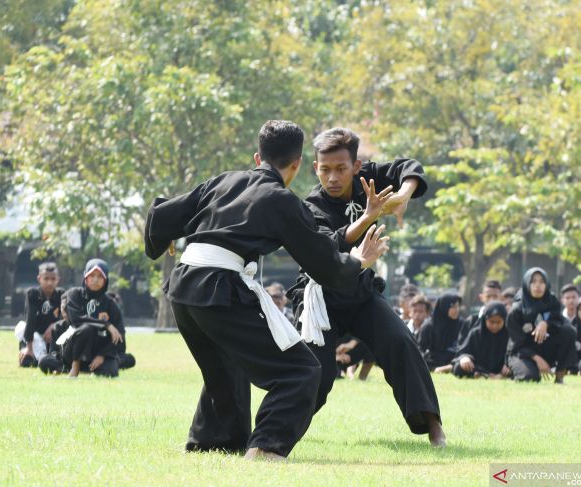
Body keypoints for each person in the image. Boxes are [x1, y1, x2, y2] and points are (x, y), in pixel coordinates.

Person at [143, 120, 390, 460]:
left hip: (184, 286)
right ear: (298, 163)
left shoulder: (223, 180)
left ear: (258, 157)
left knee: (226, 366)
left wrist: (164, 237)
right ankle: (265, 448)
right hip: (219, 288)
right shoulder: (282, 200)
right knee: (301, 371)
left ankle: (213, 443)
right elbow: (322, 261)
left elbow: (163, 214)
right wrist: (359, 260)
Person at [287, 127, 444, 447]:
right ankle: (277, 432)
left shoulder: (367, 179)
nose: (332, 177)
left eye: (341, 169)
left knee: (400, 341)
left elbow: (408, 167)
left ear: (356, 166)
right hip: (320, 298)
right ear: (315, 167)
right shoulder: (310, 206)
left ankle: (433, 426)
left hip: (360, 293)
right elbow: (325, 250)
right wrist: (369, 216)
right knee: (316, 371)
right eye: (325, 169)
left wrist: (402, 195)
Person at [505, 267, 577, 383]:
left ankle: (560, 376)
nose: (538, 285)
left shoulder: (552, 301)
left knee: (568, 331)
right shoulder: (516, 310)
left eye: (542, 282)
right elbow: (517, 345)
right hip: (522, 353)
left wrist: (546, 323)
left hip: (545, 347)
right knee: (529, 378)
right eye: (533, 281)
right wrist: (538, 360)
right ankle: (516, 371)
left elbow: (561, 322)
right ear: (527, 283)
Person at [59, 259, 125, 378]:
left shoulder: (111, 304)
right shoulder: (74, 294)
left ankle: (91, 368)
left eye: (100, 276)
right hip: (73, 350)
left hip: (97, 351)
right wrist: (106, 324)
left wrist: (102, 355)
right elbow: (76, 320)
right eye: (92, 275)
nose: (95, 279)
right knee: (87, 328)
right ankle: (75, 367)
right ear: (85, 277)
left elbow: (120, 336)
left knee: (110, 372)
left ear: (106, 280)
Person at [16, 262, 64, 368]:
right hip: (34, 338)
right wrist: (29, 348)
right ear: (39, 279)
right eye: (46, 279)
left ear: (58, 279)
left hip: (52, 339)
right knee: (27, 363)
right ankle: (26, 351)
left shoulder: (62, 294)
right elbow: (30, 319)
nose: (49, 282)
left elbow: (65, 317)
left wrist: (53, 326)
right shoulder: (32, 294)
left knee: (50, 362)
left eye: (53, 279)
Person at [452, 301, 509, 379]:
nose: (495, 325)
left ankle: (489, 375)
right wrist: (465, 358)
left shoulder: (509, 334)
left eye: (499, 322)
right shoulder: (475, 333)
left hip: (502, 369)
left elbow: (514, 353)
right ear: (485, 319)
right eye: (491, 322)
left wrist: (508, 364)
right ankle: (486, 375)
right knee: (459, 367)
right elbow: (463, 351)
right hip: (478, 367)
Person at [418, 293, 462, 373]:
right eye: (453, 307)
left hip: (454, 360)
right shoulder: (429, 326)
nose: (456, 309)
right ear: (444, 307)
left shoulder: (461, 324)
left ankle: (448, 367)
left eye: (458, 306)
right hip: (434, 360)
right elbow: (420, 348)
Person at [457, 279, 502, 345]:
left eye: (495, 296)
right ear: (481, 297)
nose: (492, 300)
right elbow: (462, 347)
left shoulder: (508, 321)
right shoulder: (471, 322)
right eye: (488, 296)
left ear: (501, 297)